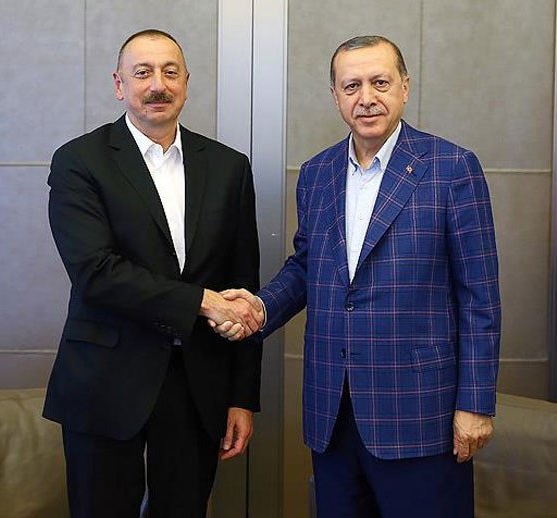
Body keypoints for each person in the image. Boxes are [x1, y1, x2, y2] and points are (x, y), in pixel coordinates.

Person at [216, 35, 500, 517]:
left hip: (420, 413)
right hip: (333, 411)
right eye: (352, 86)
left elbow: (480, 298)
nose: (366, 97)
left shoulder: (452, 168)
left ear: (405, 87)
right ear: (335, 96)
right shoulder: (317, 173)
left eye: (379, 83)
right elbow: (307, 266)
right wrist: (259, 308)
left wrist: (475, 403)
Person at [42, 29, 263, 518]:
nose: (157, 85)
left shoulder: (228, 167)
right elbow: (96, 272)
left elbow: (243, 287)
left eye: (170, 72)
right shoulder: (80, 161)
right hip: (105, 383)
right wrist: (201, 301)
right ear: (119, 84)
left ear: (186, 82)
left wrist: (241, 397)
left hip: (197, 387)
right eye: (142, 73)